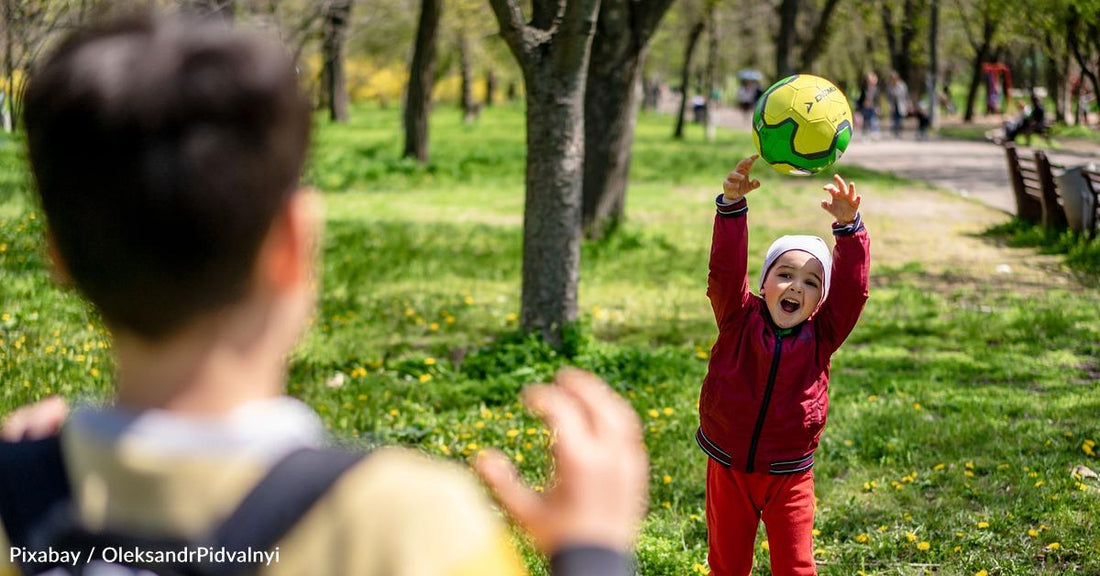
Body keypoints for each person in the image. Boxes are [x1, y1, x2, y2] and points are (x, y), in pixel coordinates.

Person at [0, 13, 648, 576]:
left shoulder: (17, 501)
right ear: (294, 242)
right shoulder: (406, 525)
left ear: (57, 254)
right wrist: (591, 552)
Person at [697, 156, 870, 576]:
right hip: (728, 467)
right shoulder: (738, 319)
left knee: (794, 567)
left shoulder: (822, 336)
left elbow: (852, 291)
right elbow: (724, 271)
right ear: (763, 284)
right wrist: (732, 207)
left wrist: (850, 230)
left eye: (812, 282)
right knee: (727, 565)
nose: (796, 286)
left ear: (820, 301)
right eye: (785, 274)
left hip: (789, 475)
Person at [856, 72, 881, 139]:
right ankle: (865, 134)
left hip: (873, 107)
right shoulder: (864, 88)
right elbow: (861, 98)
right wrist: (860, 106)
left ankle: (875, 133)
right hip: (865, 108)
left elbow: (877, 99)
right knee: (865, 121)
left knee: (874, 120)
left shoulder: (876, 89)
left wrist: (878, 107)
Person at [886, 71, 910, 138]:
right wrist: (889, 105)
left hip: (901, 104)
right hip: (893, 105)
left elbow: (906, 96)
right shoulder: (889, 86)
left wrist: (908, 104)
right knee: (894, 119)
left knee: (900, 120)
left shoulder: (902, 86)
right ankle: (895, 132)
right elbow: (888, 97)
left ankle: (899, 132)